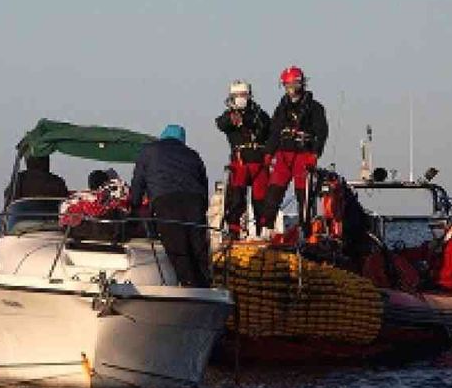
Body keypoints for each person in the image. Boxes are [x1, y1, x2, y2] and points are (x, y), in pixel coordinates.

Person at [128, 124, 211, 286]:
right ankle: (205, 284)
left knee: (178, 247)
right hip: (195, 202)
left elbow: (138, 181)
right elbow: (203, 183)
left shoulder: (149, 151)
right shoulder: (193, 155)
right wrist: (203, 207)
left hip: (166, 201)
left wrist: (134, 206)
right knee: (198, 247)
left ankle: (188, 284)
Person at [258, 65, 329, 232]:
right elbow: (275, 132)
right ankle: (266, 228)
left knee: (303, 194)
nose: (291, 89)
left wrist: (315, 152)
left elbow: (322, 132)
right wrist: (268, 153)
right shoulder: (282, 108)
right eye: (287, 85)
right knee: (273, 192)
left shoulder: (314, 108)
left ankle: (306, 230)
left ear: (302, 84)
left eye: (294, 84)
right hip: (283, 154)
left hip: (304, 154)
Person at [214, 80, 271, 239]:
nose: (240, 98)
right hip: (240, 160)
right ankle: (233, 231)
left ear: (249, 95)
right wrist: (233, 117)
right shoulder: (228, 115)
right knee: (236, 198)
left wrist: (245, 119)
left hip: (259, 160)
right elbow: (221, 124)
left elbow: (266, 128)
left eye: (243, 95)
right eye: (237, 95)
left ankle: (262, 231)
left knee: (261, 199)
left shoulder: (259, 114)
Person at [4, 154, 69, 205]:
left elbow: (9, 202)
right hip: (50, 217)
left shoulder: (19, 178)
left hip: (26, 216)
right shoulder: (58, 181)